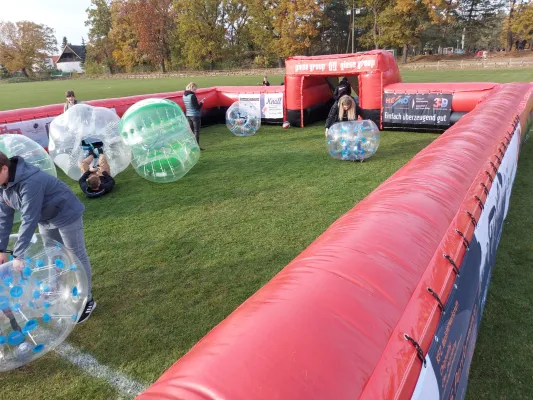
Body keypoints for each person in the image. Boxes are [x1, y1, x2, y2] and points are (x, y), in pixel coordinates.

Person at [0, 152, 96, 323]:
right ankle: (57, 290)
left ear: (4, 168)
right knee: (53, 254)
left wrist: (18, 255)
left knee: (76, 255)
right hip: (46, 218)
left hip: (66, 212)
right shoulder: (3, 185)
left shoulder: (31, 182)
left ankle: (86, 299)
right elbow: (4, 219)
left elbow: (29, 218)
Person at [183, 82, 204, 151]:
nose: (195, 91)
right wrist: (201, 103)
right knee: (196, 131)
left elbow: (190, 105)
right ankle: (197, 146)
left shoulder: (184, 95)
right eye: (195, 89)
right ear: (191, 88)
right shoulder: (192, 96)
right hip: (195, 115)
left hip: (188, 115)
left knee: (191, 131)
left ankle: (190, 146)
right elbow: (197, 107)